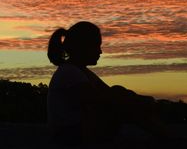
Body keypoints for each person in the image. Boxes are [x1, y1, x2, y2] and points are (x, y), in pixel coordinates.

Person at [47, 21, 175, 147]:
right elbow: (100, 99)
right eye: (97, 46)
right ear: (83, 47)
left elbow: (110, 93)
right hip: (70, 136)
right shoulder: (69, 72)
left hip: (79, 131)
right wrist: (139, 102)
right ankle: (169, 139)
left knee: (120, 93)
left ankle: (167, 138)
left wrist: (135, 99)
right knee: (123, 102)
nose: (100, 52)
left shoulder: (80, 71)